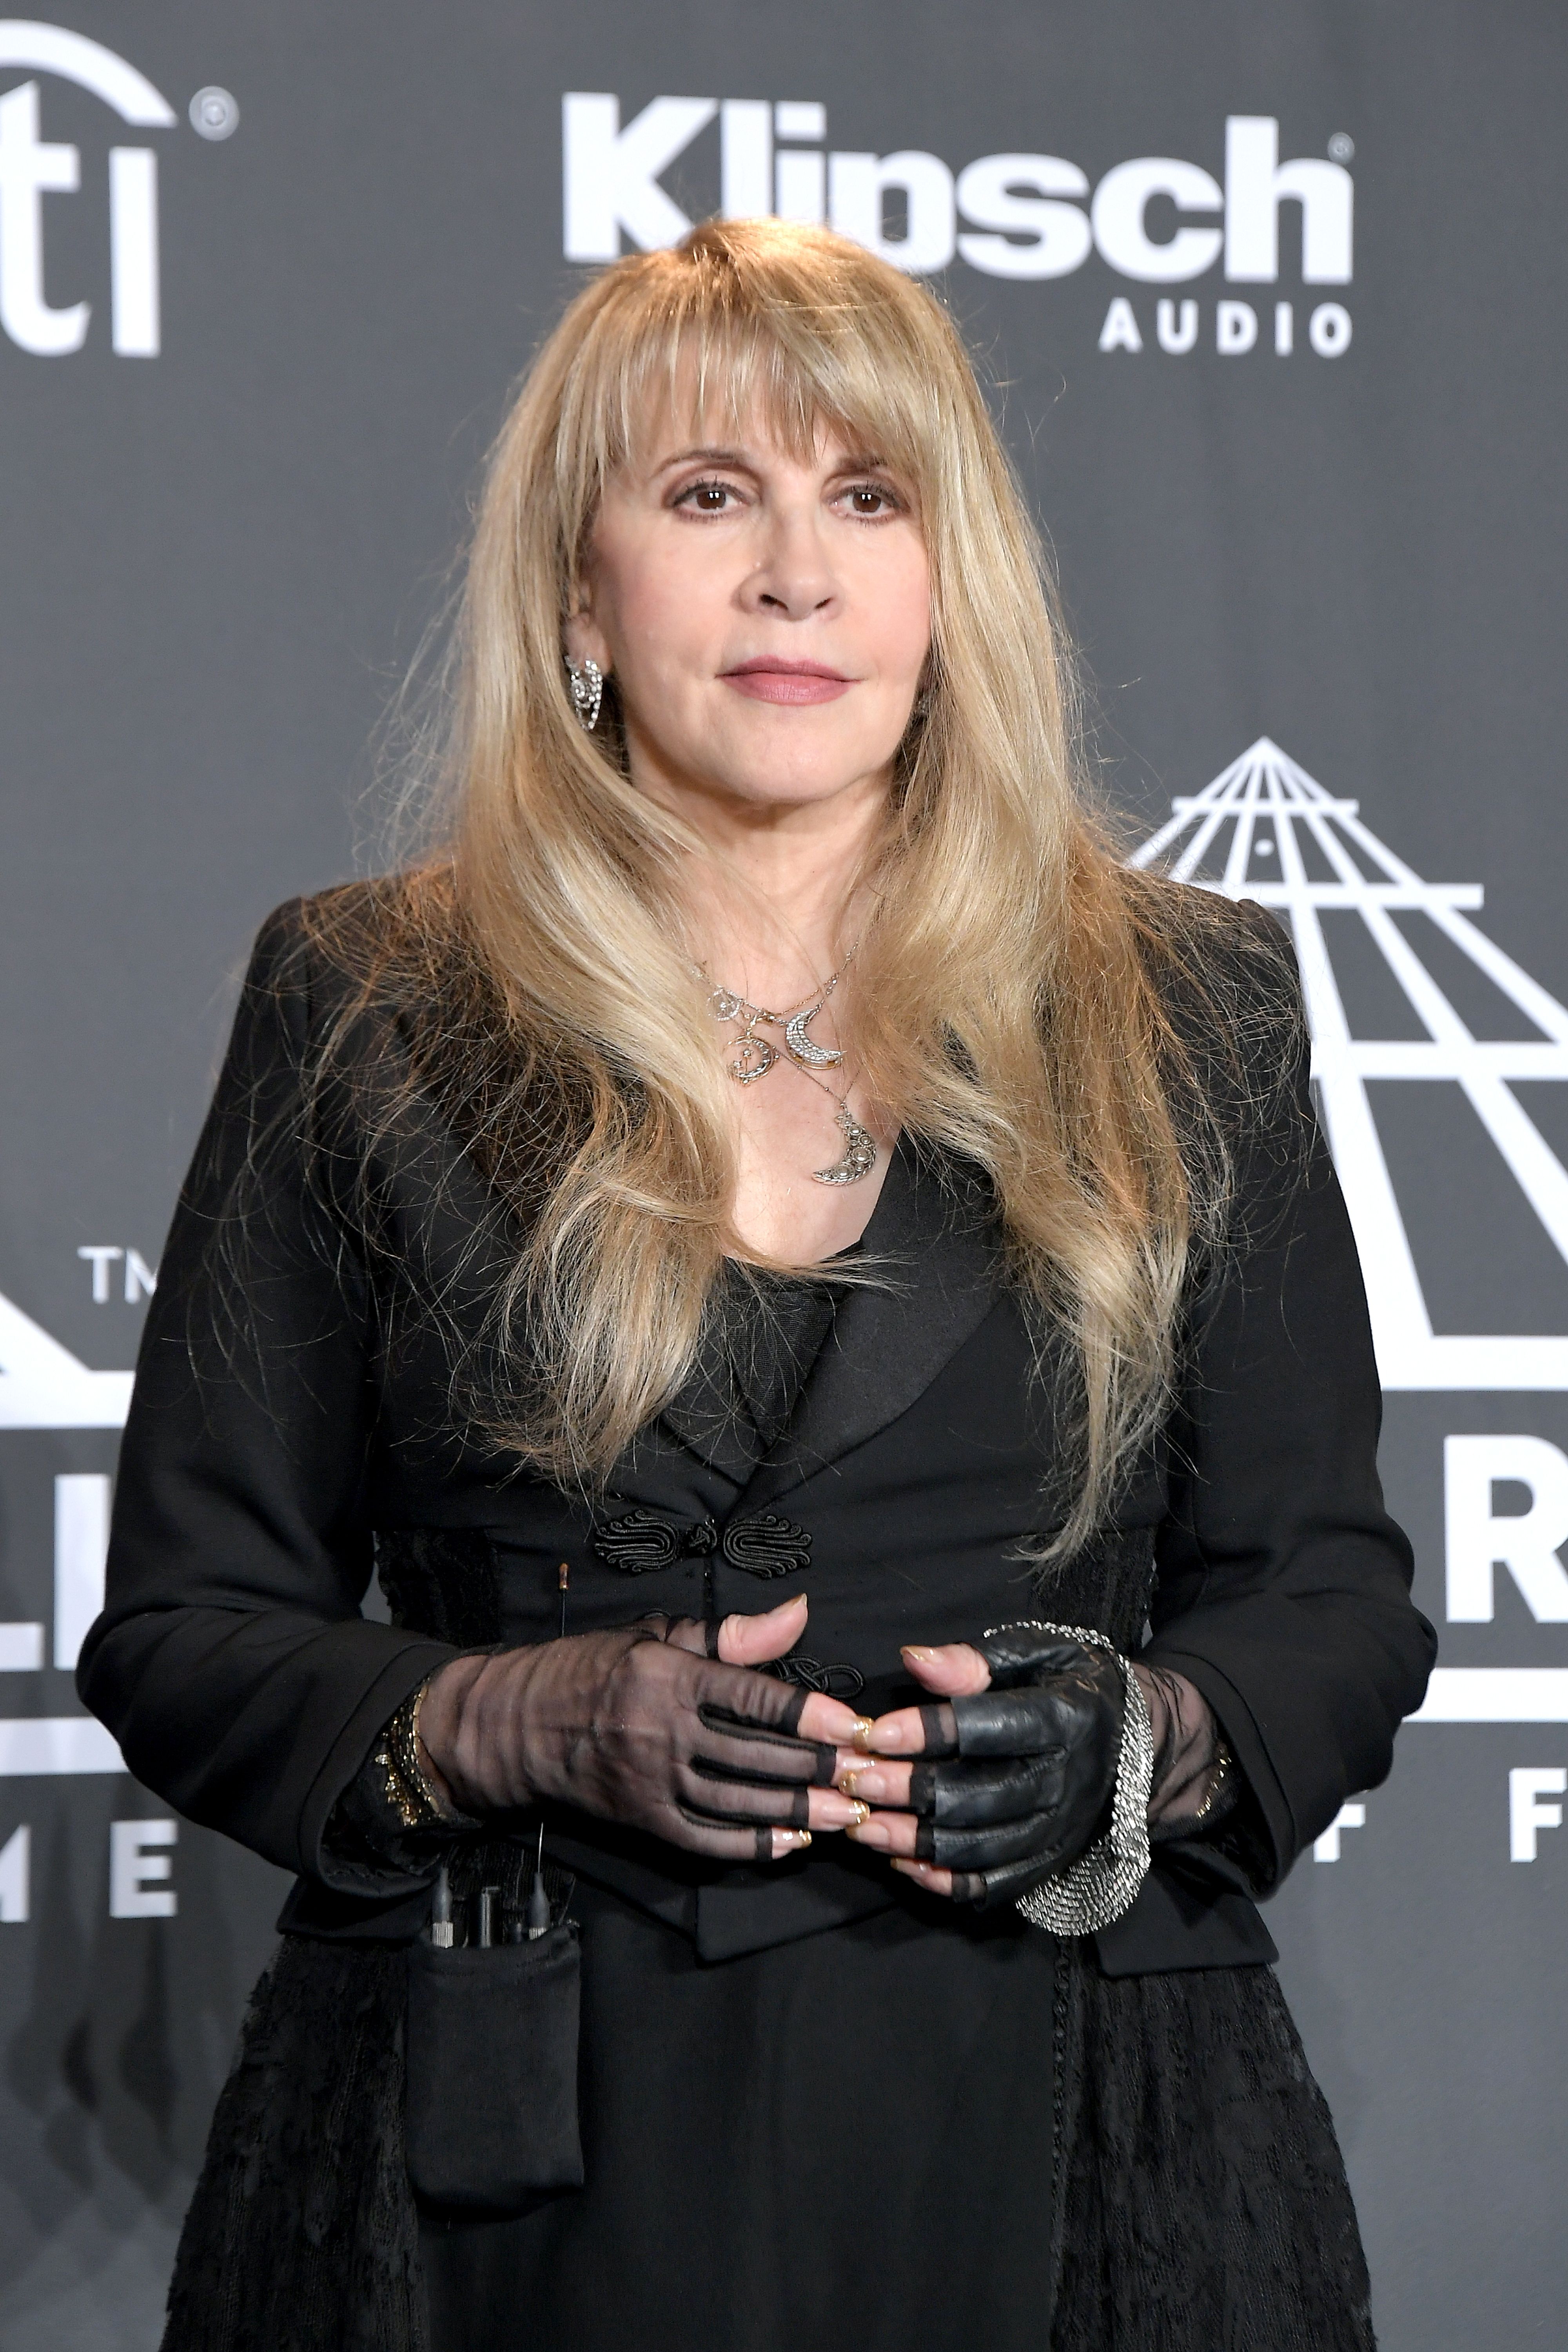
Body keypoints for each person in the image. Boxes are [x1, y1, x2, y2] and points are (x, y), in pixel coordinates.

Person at [79, 218, 1435, 2352]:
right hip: (484, 2167)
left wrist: (1144, 1742)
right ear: (579, 590)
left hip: (1094, 2151)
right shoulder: (365, 1000)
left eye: (868, 498)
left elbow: (1334, 1598)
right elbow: (177, 1623)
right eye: (712, 495)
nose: (798, 574)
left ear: (947, 581)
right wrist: (501, 1714)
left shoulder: (1195, 1004)